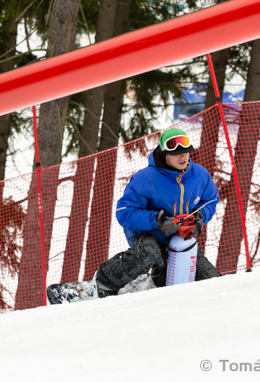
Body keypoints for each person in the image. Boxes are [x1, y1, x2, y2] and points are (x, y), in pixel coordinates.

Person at [93, 127, 222, 297]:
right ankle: (105, 280)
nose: (183, 157)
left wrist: (200, 216)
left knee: (213, 281)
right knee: (150, 252)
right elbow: (124, 212)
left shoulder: (199, 175)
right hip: (147, 232)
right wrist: (158, 221)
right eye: (177, 154)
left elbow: (212, 199)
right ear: (165, 153)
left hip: (179, 237)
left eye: (186, 152)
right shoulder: (145, 178)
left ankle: (158, 279)